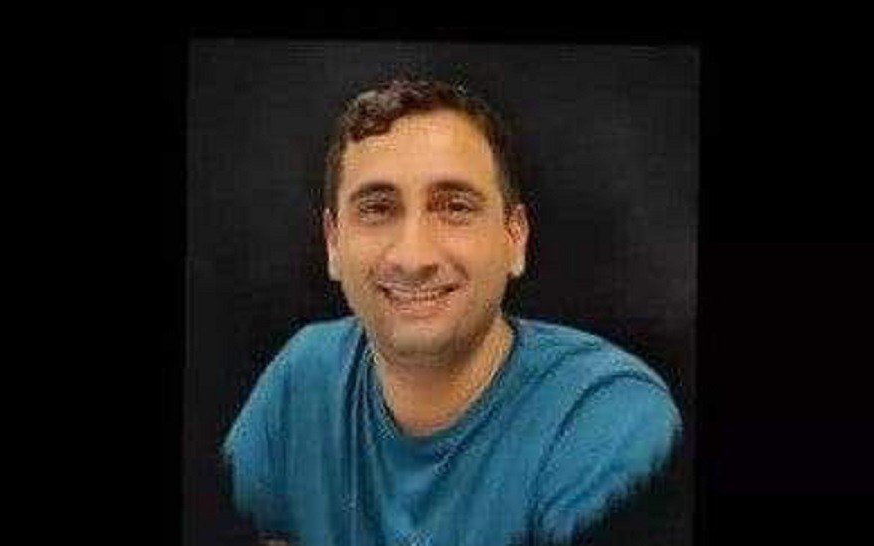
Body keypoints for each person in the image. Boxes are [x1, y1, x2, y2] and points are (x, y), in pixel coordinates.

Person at [222, 79, 685, 546]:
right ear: (333, 244)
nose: (413, 257)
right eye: (378, 208)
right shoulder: (301, 379)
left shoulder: (610, 419)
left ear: (515, 238)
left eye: (455, 207)